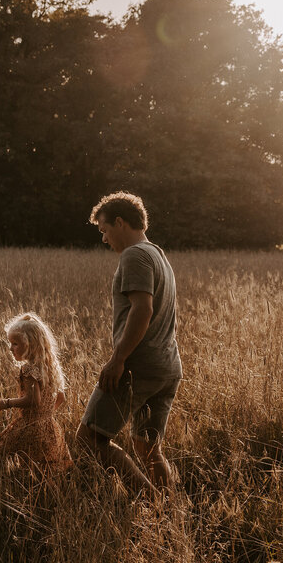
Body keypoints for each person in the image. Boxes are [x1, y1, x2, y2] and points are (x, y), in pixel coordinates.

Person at [77, 191, 182, 495]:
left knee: (89, 440)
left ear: (120, 223)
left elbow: (143, 309)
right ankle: (167, 509)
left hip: (137, 367)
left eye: (104, 230)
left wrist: (118, 359)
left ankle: (149, 500)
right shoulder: (157, 254)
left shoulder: (134, 255)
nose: (104, 239)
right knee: (148, 448)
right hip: (166, 367)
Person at [0, 313, 72, 474]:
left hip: (29, 426)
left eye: (15, 344)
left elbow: (33, 400)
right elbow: (61, 397)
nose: (10, 348)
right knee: (42, 468)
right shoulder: (49, 369)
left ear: (30, 345)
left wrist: (7, 402)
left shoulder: (28, 369)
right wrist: (45, 416)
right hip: (48, 426)